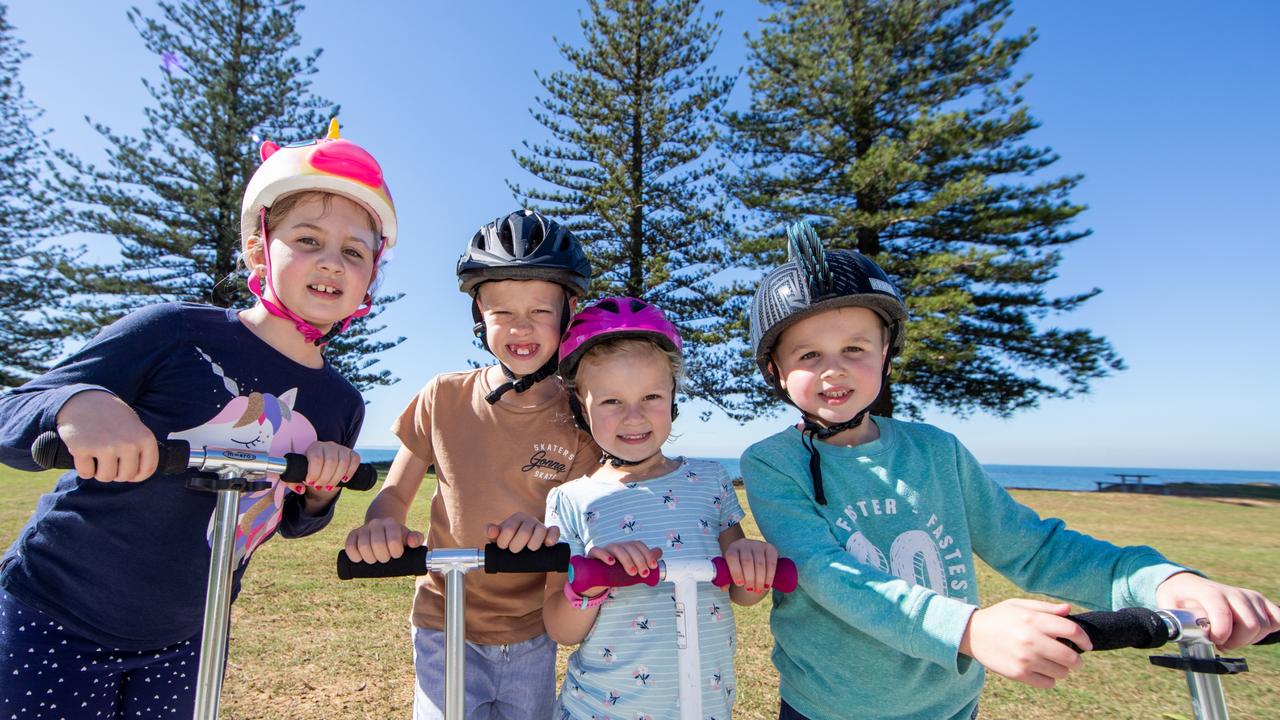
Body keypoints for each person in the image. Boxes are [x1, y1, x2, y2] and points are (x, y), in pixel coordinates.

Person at [740, 221, 1280, 720]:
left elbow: (1034, 547)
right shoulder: (772, 463)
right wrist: (971, 629)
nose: (833, 368)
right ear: (776, 371)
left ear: (887, 352)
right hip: (830, 708)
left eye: (854, 347)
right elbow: (829, 575)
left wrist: (1162, 581)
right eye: (807, 355)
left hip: (950, 705)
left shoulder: (936, 450)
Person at [0, 119, 394, 718]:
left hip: (190, 639)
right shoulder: (174, 331)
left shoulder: (342, 403)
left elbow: (288, 523)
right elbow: (13, 413)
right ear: (260, 248)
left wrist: (317, 496)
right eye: (308, 240)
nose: (332, 263)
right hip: (53, 617)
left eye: (354, 252)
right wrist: (76, 403)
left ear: (370, 276)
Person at [344, 209, 600, 720]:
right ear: (478, 313)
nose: (520, 327)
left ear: (570, 311)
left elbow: (584, 526)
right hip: (445, 620)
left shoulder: (582, 420)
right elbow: (395, 492)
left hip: (531, 631)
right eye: (501, 311)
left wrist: (547, 533)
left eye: (540, 312)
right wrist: (383, 524)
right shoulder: (443, 396)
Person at [541, 296, 781, 720]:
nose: (634, 417)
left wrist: (753, 563)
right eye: (611, 402)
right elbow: (560, 629)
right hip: (597, 711)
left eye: (650, 396)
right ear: (582, 406)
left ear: (673, 397)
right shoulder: (569, 499)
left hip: (701, 708)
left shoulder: (710, 481)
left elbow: (741, 592)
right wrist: (589, 586)